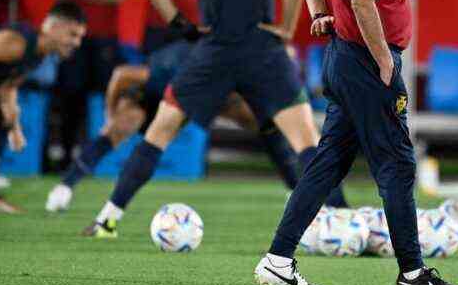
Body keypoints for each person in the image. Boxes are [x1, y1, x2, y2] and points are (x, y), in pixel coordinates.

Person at [83, 0, 345, 238]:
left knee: (159, 132)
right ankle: (343, 221)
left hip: (211, 50)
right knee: (306, 140)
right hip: (262, 49)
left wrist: (182, 26)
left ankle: (107, 218)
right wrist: (284, 30)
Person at [254, 0, 458, 285]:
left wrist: (318, 14)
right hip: (367, 62)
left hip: (345, 59)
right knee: (396, 163)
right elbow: (362, 2)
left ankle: (277, 259)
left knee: (327, 164)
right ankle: (413, 273)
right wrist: (385, 61)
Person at [45, 40, 342, 213]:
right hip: (155, 99)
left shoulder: (239, 83)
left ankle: (301, 192)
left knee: (264, 119)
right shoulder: (176, 69)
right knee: (122, 125)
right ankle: (66, 186)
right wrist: (110, 114)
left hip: (199, 97)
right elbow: (123, 75)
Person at [0, 1, 86, 212]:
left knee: (5, 116)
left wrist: (15, 129)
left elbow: (7, 87)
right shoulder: (15, 43)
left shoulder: (38, 55)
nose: (77, 43)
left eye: (80, 37)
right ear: (54, 27)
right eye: (73, 35)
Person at [55, 0, 131, 170]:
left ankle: (103, 159)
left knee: (109, 100)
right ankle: (65, 158)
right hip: (73, 40)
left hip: (106, 40)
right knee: (70, 99)